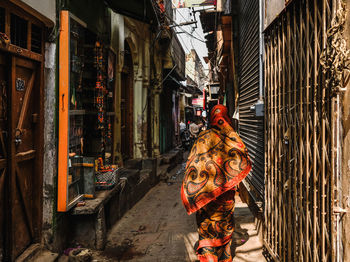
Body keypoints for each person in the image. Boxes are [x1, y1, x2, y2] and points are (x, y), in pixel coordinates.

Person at [181, 104, 252, 261]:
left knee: (206, 225)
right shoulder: (232, 138)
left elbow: (192, 164)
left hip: (204, 195)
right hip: (225, 195)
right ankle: (224, 257)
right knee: (224, 225)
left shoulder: (202, 137)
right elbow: (242, 159)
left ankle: (208, 256)